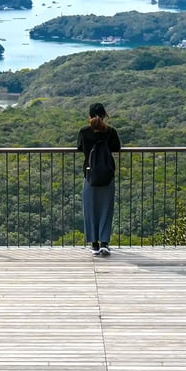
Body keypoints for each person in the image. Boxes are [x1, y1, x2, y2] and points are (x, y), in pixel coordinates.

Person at [76, 103, 121, 256]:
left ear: (89, 116)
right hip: (107, 175)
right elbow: (117, 147)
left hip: (90, 175)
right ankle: (104, 243)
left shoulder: (84, 132)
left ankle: (94, 244)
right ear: (104, 115)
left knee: (90, 209)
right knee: (106, 210)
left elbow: (80, 148)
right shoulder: (111, 132)